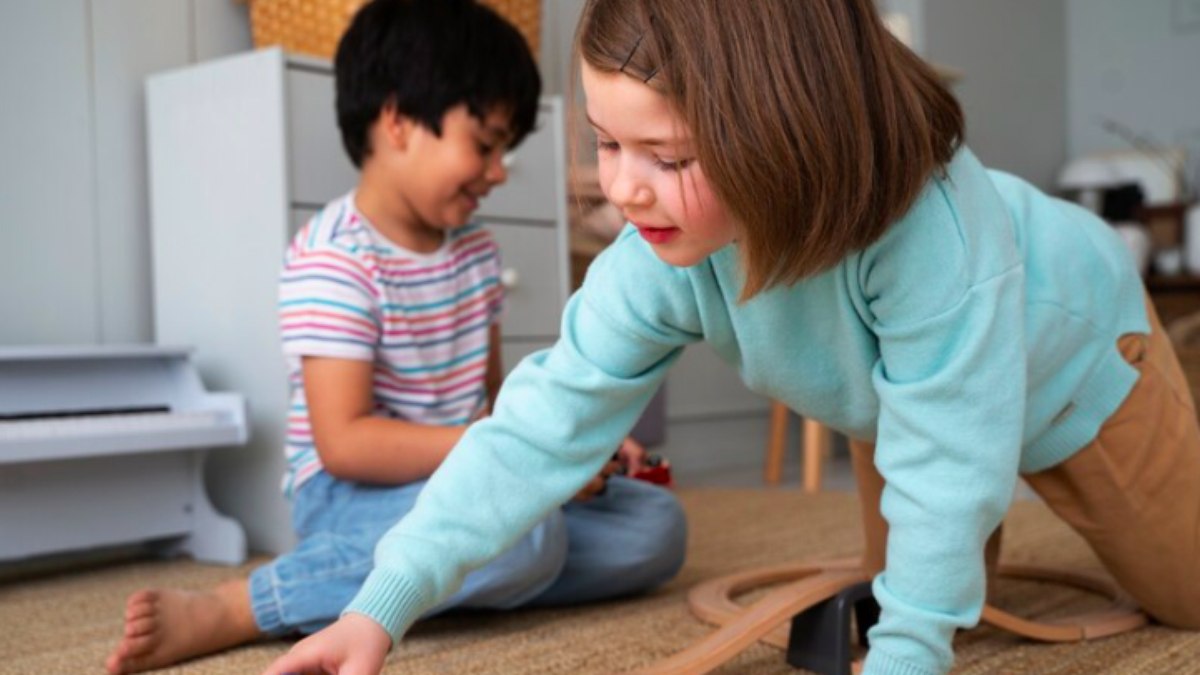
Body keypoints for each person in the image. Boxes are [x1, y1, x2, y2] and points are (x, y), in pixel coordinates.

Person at [263, 0, 1200, 674]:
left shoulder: (930, 225)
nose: (624, 190)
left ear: (785, 133)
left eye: (666, 157)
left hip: (1075, 366)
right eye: (606, 142)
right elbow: (535, 427)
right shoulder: (658, 249)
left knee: (1181, 595)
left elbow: (955, 461)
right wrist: (379, 610)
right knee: (921, 580)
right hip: (903, 401)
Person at [103, 1, 687, 673]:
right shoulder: (334, 257)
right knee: (527, 540)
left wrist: (579, 444)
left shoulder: (475, 252)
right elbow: (345, 442)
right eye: (486, 142)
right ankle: (249, 604)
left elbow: (499, 403)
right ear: (398, 120)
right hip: (354, 493)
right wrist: (496, 462)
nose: (499, 171)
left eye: (506, 150)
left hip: (461, 471)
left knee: (655, 528)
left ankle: (450, 580)